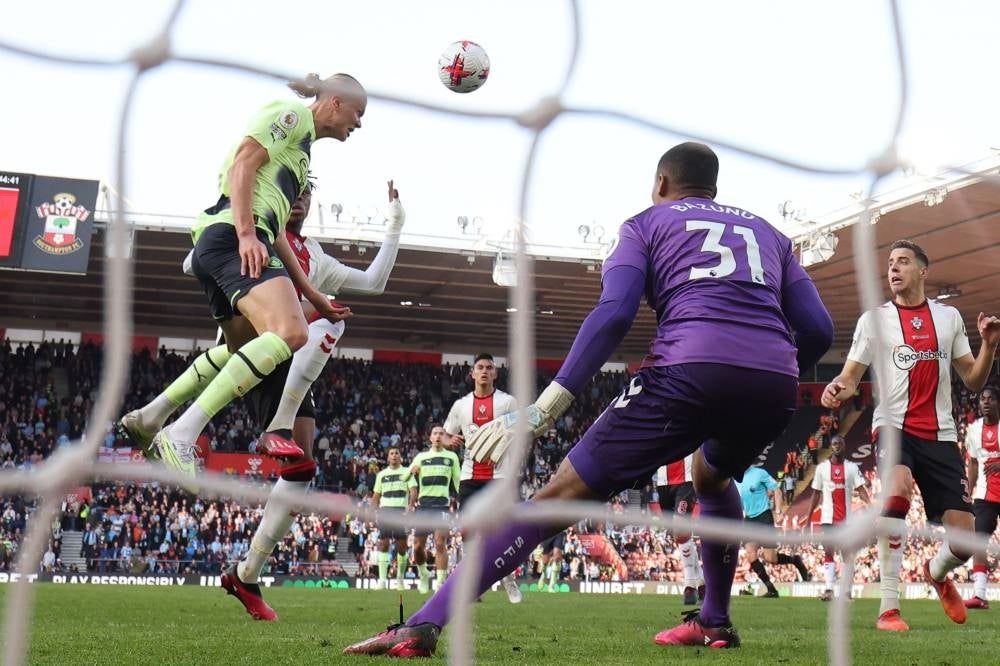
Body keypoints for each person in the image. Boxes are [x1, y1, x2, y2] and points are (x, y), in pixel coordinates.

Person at [344, 141, 834, 656]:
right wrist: (767, 369)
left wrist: (546, 407)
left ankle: (422, 625)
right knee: (711, 475)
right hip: (774, 381)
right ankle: (714, 619)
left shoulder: (646, 223)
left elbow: (615, 312)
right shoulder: (771, 235)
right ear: (713, 186)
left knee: (552, 501)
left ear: (661, 183)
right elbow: (818, 328)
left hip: (686, 371)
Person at [128, 73, 368, 476]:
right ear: (336, 102)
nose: (358, 124)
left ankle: (150, 418)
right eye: (358, 113)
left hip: (233, 241)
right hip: (230, 237)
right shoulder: (290, 114)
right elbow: (243, 164)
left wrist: (312, 293)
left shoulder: (302, 154)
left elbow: (276, 236)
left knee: (243, 349)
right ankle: (182, 434)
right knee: (292, 333)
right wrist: (244, 234)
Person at [821, 239, 1000, 631]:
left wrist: (989, 346)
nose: (894, 268)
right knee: (897, 489)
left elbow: (972, 378)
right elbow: (850, 377)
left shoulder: (948, 317)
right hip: (893, 426)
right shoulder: (874, 320)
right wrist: (837, 387)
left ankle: (935, 571)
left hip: (940, 433)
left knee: (964, 542)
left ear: (923, 271)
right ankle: (889, 606)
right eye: (890, 263)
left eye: (903, 262)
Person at [439, 352, 522, 603]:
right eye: (480, 367)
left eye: (489, 367)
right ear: (472, 374)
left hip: (500, 476)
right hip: (469, 477)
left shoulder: (508, 402)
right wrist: (448, 440)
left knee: (501, 532)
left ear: (495, 373)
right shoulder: (461, 406)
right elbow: (444, 434)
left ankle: (508, 579)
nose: (484, 371)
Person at [805, 435, 871, 601]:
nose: (837, 446)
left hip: (847, 520)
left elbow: (861, 489)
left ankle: (847, 592)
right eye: (834, 444)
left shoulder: (852, 468)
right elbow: (815, 494)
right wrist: (807, 519)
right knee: (828, 551)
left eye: (840, 444)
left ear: (845, 446)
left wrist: (871, 508)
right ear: (831, 446)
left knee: (847, 554)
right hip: (827, 518)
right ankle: (829, 589)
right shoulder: (821, 469)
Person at [736, 464, 810, 598]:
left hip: (764, 517)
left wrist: (778, 510)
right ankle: (771, 589)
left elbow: (777, 490)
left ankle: (796, 561)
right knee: (751, 555)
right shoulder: (735, 478)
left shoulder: (759, 473)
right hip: (749, 520)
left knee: (771, 558)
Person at [408, 425, 461, 593]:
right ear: (430, 438)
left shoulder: (451, 457)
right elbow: (407, 478)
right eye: (435, 433)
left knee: (440, 544)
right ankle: (423, 574)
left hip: (442, 507)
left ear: (444, 438)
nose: (438, 436)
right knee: (417, 547)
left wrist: (464, 501)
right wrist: (412, 472)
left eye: (441, 434)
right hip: (423, 507)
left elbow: (458, 481)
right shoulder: (421, 457)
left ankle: (440, 584)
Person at [962, 385, 1000, 609]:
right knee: (978, 542)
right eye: (982, 399)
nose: (985, 402)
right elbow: (974, 463)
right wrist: (968, 492)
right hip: (985, 495)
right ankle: (979, 594)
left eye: (991, 399)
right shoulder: (974, 430)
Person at [654, 455, 704, 604]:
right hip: (663, 483)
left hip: (686, 480)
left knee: (680, 530)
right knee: (680, 537)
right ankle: (702, 583)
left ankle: (689, 586)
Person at [369, 447, 415, 590]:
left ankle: (400, 580)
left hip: (401, 512)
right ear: (388, 457)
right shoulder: (381, 474)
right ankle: (382, 581)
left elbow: (413, 491)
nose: (394, 456)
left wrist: (410, 505)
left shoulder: (407, 472)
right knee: (384, 544)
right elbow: (376, 496)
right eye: (392, 454)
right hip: (385, 511)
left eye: (397, 453)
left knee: (402, 547)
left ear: (400, 457)